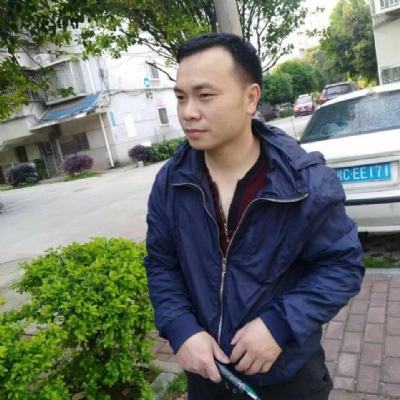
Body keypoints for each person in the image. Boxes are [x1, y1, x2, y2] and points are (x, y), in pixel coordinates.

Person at [144, 33, 364, 400]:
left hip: (289, 379)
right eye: (181, 97)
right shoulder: (171, 182)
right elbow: (162, 264)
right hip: (208, 378)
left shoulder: (305, 182)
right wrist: (181, 328)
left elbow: (342, 265)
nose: (188, 112)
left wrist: (280, 324)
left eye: (204, 95)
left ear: (250, 98)